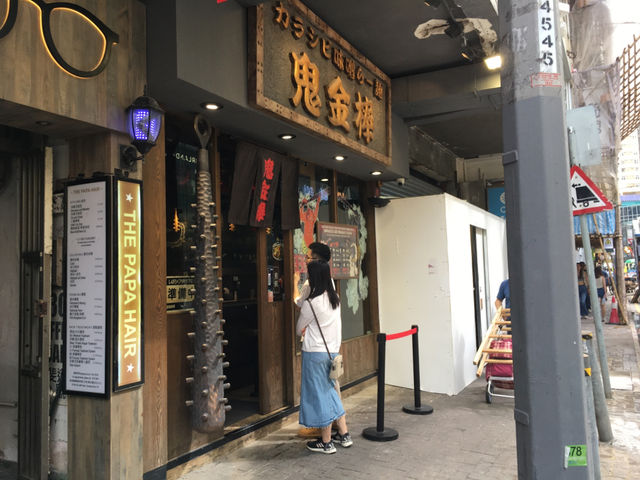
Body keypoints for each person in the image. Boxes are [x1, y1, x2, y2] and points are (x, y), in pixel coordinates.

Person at [296, 260, 352, 454]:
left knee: (321, 395)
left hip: (315, 354)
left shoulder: (311, 304)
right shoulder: (334, 298)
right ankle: (344, 434)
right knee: (330, 392)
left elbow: (298, 330)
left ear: (313, 278)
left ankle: (326, 442)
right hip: (333, 352)